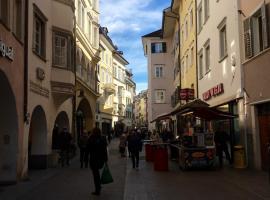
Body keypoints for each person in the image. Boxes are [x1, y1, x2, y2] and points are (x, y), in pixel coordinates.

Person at [87, 127, 108, 196]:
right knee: (97, 174)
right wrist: (106, 159)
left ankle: (97, 189)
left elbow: (88, 149)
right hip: (101, 159)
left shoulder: (91, 138)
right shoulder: (103, 138)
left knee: (95, 175)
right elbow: (105, 150)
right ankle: (98, 186)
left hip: (94, 159)